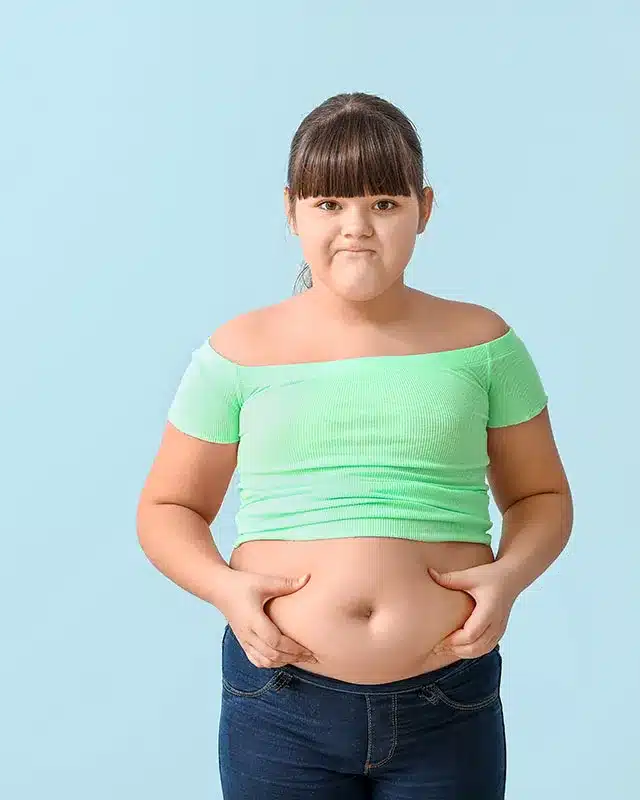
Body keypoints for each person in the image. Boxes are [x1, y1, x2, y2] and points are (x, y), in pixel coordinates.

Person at [136, 92, 573, 800]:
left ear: (424, 208)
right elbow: (167, 506)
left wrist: (509, 576)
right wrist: (225, 589)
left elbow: (541, 496)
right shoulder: (238, 352)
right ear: (291, 210)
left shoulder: (485, 345)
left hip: (446, 700)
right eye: (330, 204)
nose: (357, 229)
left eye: (385, 204)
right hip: (280, 705)